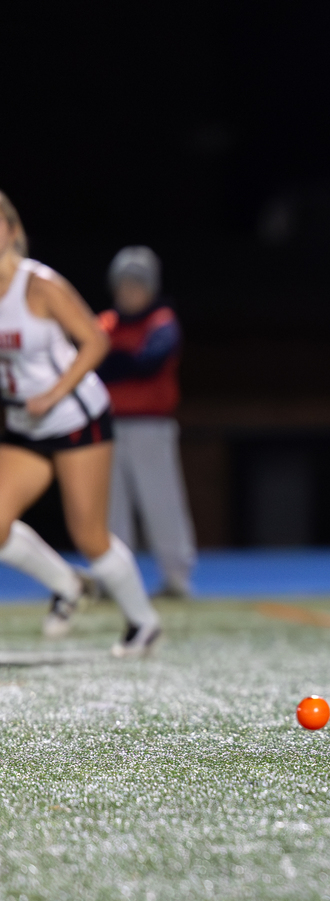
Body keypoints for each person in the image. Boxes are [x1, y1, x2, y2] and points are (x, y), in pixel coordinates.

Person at [0, 191, 161, 655]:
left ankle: (143, 623)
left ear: (12, 230)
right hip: (24, 425)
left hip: (74, 418)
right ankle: (68, 585)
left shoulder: (40, 285)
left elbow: (95, 341)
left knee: (89, 535)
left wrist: (51, 394)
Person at [98, 246, 197, 597]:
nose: (130, 291)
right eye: (124, 284)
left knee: (162, 503)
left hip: (151, 427)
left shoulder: (162, 322)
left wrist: (112, 360)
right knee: (110, 507)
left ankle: (176, 578)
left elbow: (148, 362)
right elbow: (88, 362)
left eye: (137, 285)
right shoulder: (105, 323)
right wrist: (114, 361)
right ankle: (114, 580)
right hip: (108, 427)